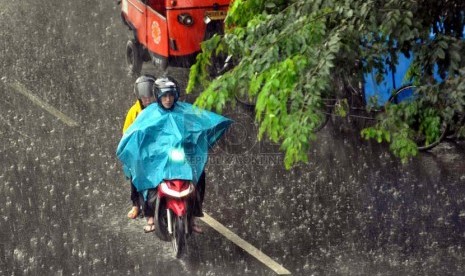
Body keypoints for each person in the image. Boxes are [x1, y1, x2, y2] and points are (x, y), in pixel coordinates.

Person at [142, 76, 205, 233]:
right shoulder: (150, 114)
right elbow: (141, 134)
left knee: (200, 175)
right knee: (147, 179)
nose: (168, 99)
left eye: (171, 95)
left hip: (180, 155)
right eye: (164, 96)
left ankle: (194, 214)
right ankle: (149, 214)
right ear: (158, 96)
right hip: (158, 157)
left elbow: (195, 128)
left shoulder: (184, 111)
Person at [122, 74, 157, 223]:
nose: (147, 100)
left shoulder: (159, 109)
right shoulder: (134, 112)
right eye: (144, 98)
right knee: (135, 174)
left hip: (156, 150)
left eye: (149, 97)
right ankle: (136, 204)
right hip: (140, 151)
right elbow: (126, 133)